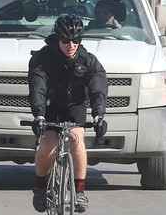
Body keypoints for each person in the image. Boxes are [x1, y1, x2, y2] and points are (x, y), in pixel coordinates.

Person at [27, 14, 108, 213]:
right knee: (49, 141)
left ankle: (79, 191)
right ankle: (40, 186)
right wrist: (38, 115)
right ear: (57, 38)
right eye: (65, 40)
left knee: (75, 138)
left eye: (76, 41)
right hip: (51, 104)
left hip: (75, 105)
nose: (71, 45)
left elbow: (98, 89)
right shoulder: (42, 59)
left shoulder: (88, 61)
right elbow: (37, 89)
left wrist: (99, 116)